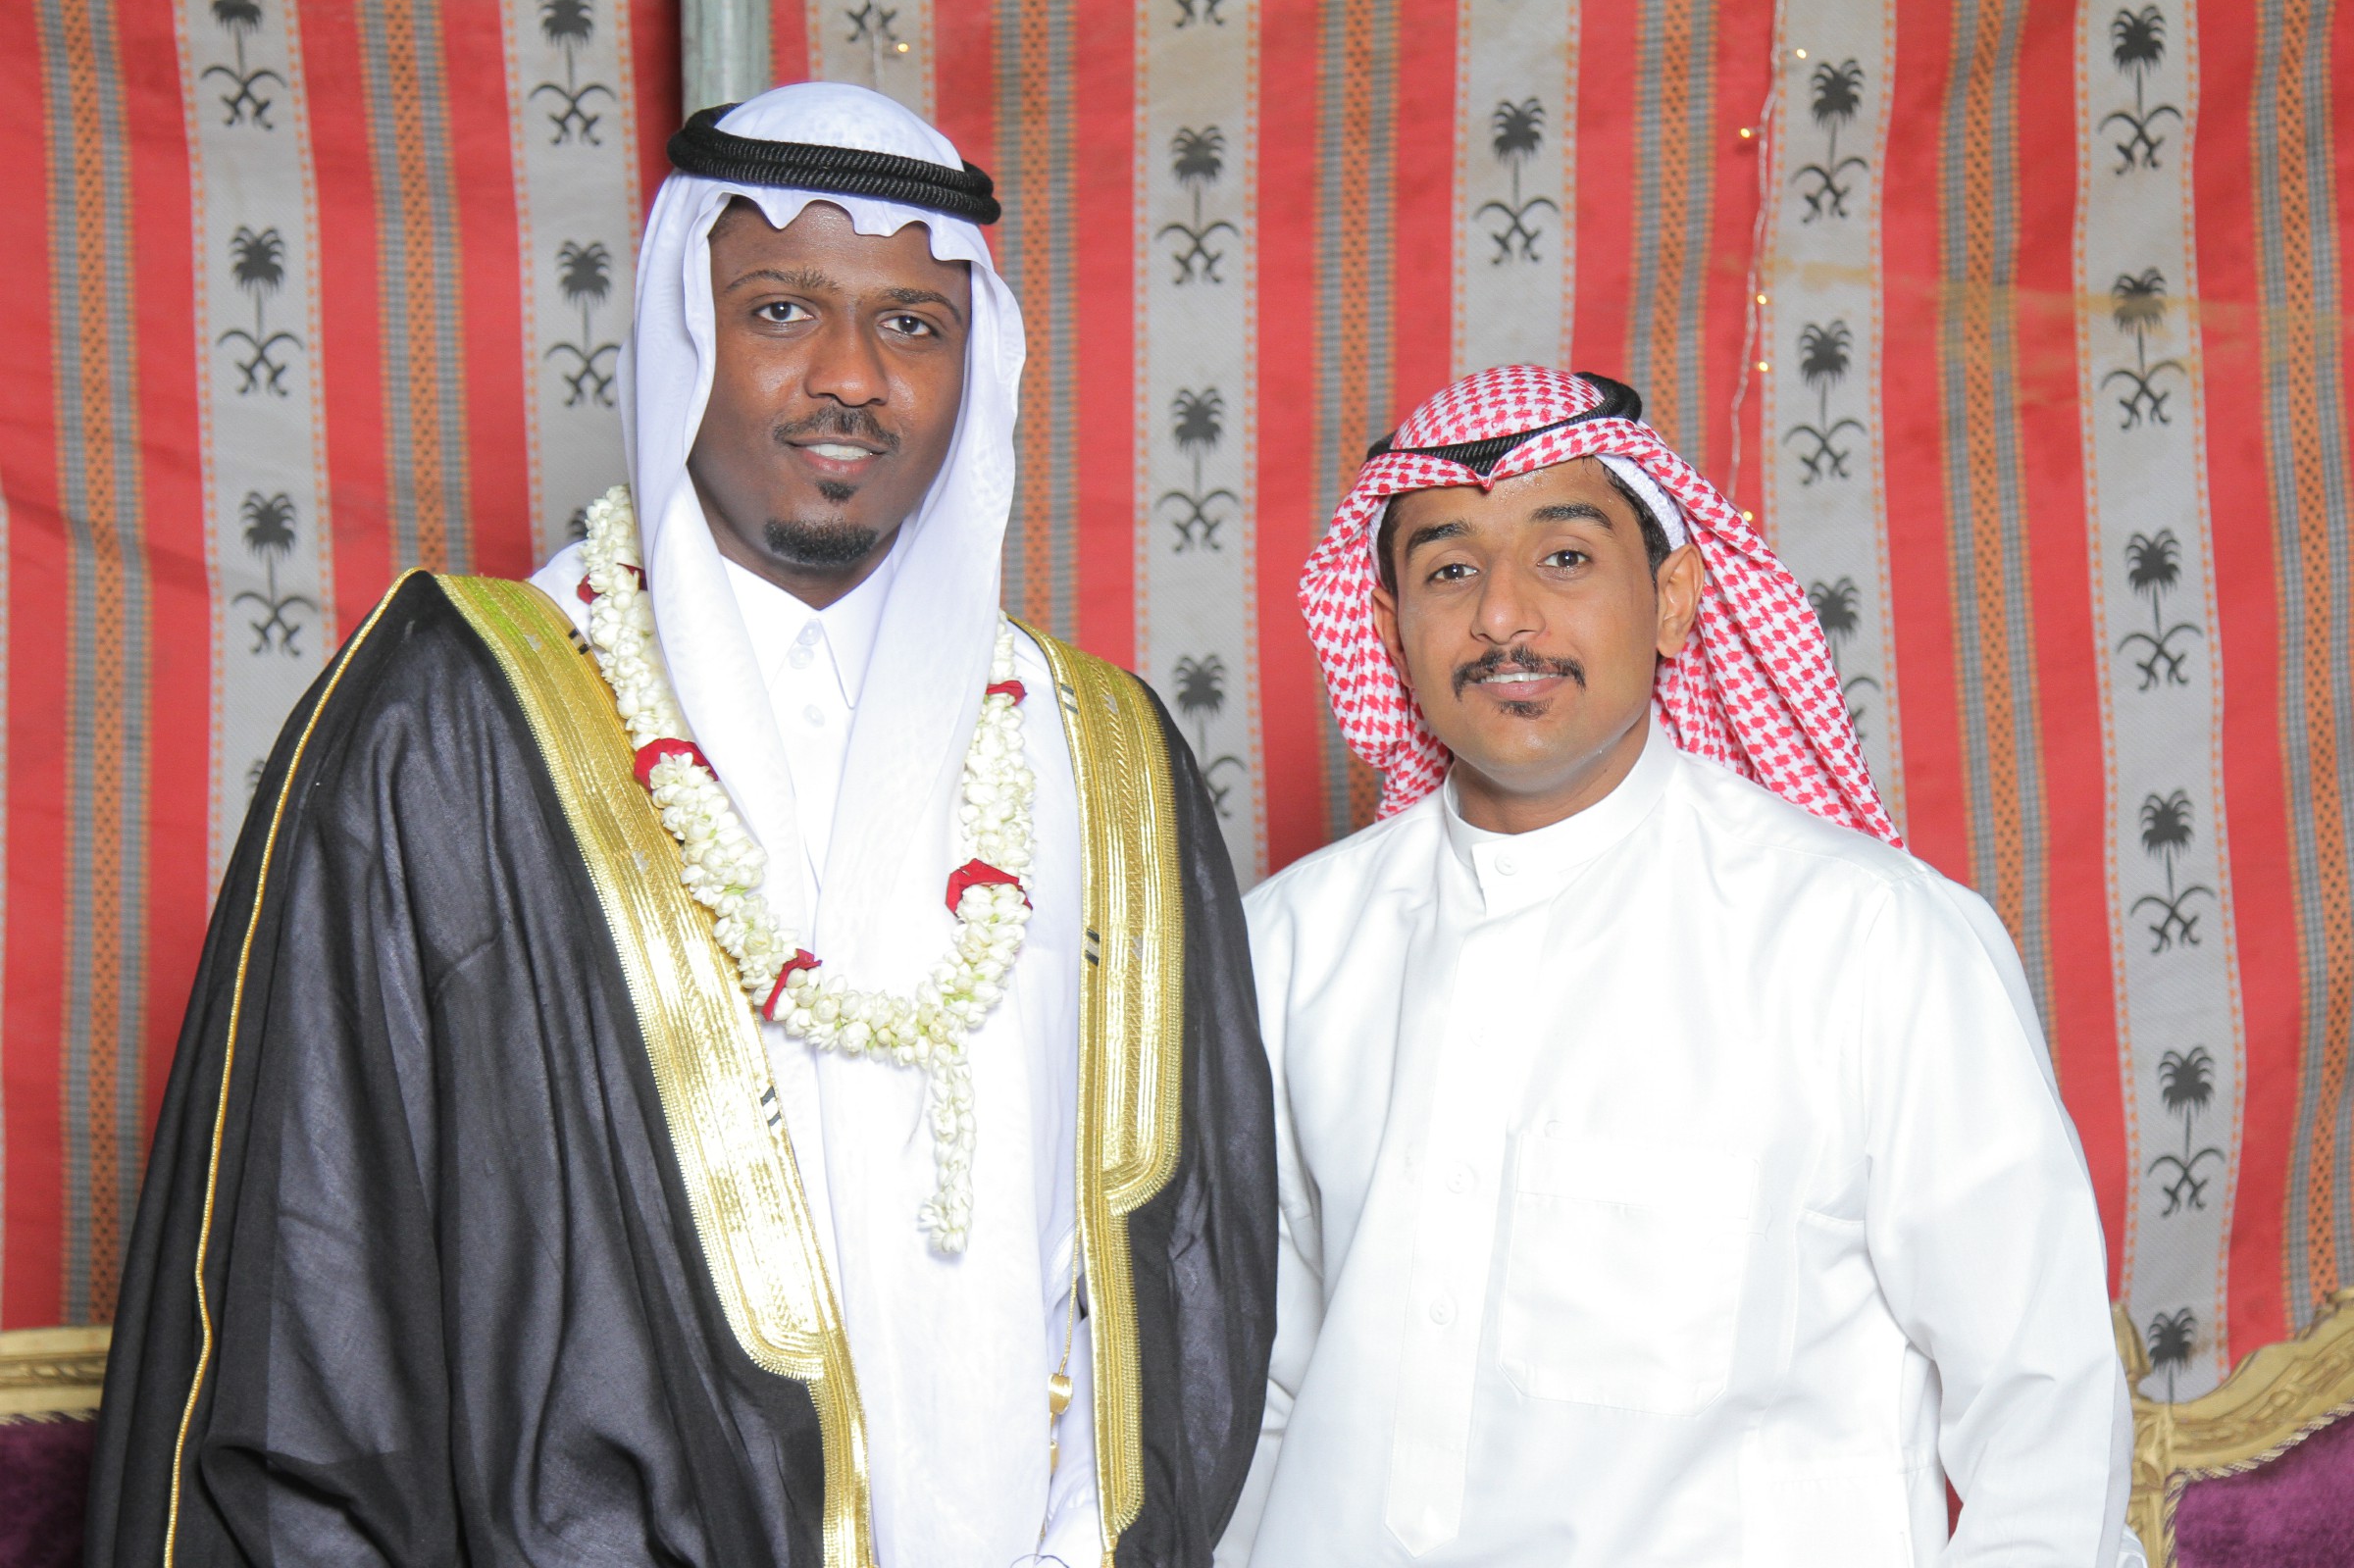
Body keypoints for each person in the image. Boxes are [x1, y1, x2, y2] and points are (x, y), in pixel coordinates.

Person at [89, 83, 1273, 1568]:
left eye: (913, 325)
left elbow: (1195, 1266)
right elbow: (309, 1286)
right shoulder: (460, 722)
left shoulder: (1101, 756)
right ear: (679, 336)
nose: (852, 377)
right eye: (782, 311)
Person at [1221, 366, 2136, 1566]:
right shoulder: (1283, 947)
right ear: (1388, 628)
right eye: (1449, 570)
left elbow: (2046, 1418)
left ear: (1671, 597)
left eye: (1564, 557)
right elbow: (1253, 1392)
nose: (1503, 617)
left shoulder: (1870, 940)